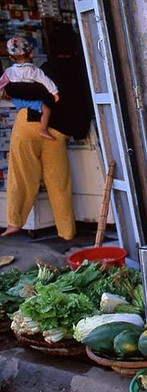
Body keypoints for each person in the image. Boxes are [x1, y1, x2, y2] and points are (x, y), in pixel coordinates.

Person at [2, 29, 92, 240]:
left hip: (28, 124)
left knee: (21, 175)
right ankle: (67, 232)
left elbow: (20, 92)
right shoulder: (82, 71)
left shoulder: (45, 69)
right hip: (58, 132)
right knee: (59, 182)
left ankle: (15, 223)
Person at [0, 37, 59, 140]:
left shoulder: (9, 71)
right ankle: (43, 129)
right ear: (31, 54)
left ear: (11, 58)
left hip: (16, 101)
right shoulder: (34, 70)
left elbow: (1, 83)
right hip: (31, 102)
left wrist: (2, 94)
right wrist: (54, 92)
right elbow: (45, 80)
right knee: (47, 110)